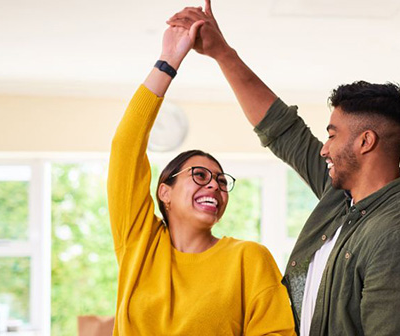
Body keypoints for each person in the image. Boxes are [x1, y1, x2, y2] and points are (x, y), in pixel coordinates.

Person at [167, 2, 400, 335]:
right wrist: (222, 53)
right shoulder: (343, 197)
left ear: (365, 142)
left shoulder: (398, 236)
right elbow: (283, 131)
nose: (324, 148)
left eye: (332, 135)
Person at [107, 21, 295, 336]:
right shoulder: (139, 244)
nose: (215, 185)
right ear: (164, 192)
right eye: (200, 175)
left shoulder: (248, 259)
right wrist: (168, 61)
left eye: (222, 181)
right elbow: (125, 148)